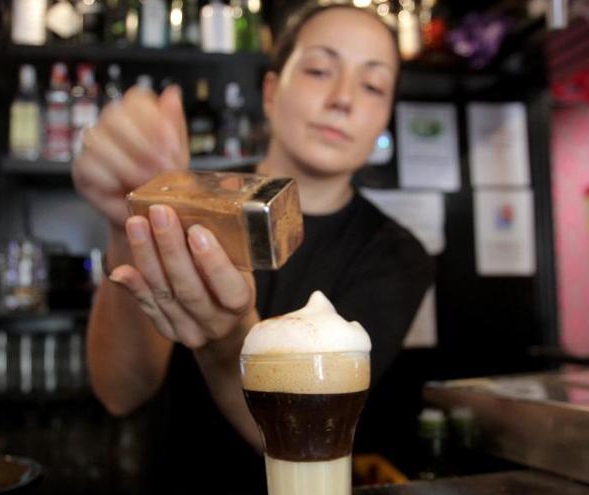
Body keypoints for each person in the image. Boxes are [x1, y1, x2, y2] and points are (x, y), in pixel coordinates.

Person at [72, 2, 433, 493]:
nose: (342, 98)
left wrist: (229, 342)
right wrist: (127, 227)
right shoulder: (190, 205)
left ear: (384, 116)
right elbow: (119, 392)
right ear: (270, 91)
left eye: (372, 85)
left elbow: (317, 438)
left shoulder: (396, 254)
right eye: (320, 70)